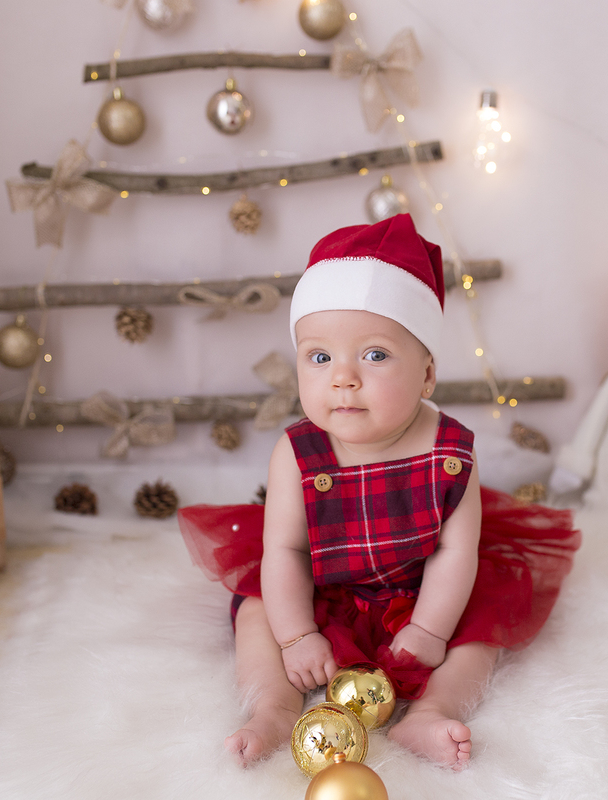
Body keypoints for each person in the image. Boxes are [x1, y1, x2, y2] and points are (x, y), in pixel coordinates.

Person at [179, 214, 580, 770]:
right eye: (319, 357)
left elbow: (454, 552)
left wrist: (430, 629)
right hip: (326, 586)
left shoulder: (450, 454)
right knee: (257, 607)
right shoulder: (297, 453)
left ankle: (431, 712)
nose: (343, 378)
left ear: (427, 375)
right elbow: (285, 552)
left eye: (374, 354)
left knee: (482, 627)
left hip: (424, 589)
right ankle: (272, 706)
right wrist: (296, 638)